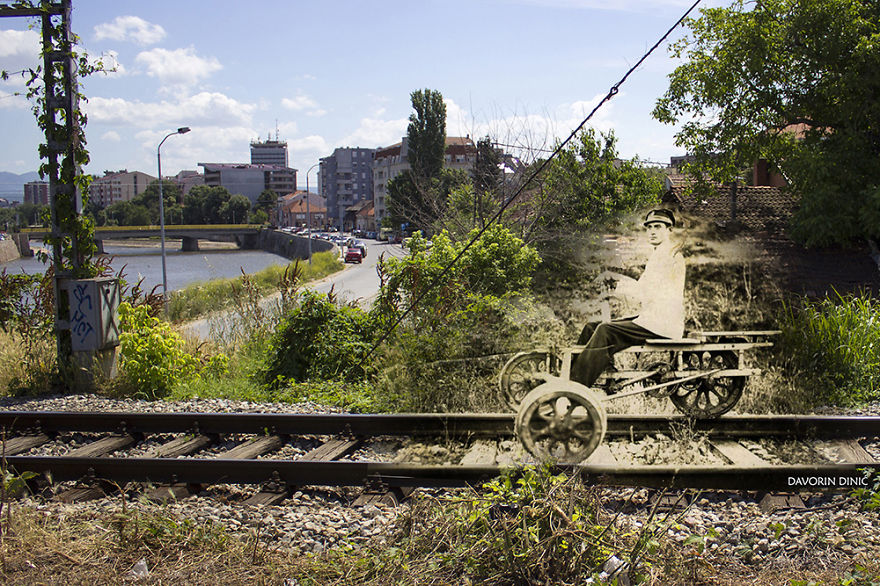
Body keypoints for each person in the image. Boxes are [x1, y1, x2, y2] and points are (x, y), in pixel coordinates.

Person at [570, 208, 686, 388]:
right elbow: (643, 290)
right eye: (649, 227)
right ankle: (573, 378)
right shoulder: (659, 255)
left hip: (662, 323)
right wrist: (615, 285)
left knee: (605, 330)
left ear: (669, 230)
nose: (652, 231)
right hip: (652, 319)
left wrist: (615, 284)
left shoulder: (668, 257)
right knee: (591, 327)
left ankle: (576, 388)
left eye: (658, 226)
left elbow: (644, 292)